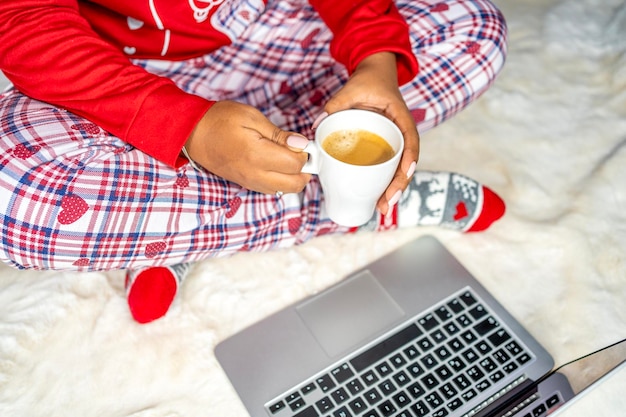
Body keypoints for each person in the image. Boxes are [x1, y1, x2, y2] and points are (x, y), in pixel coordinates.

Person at [0, 0, 508, 323]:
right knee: (10, 197)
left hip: (265, 30)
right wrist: (189, 127)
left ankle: (177, 215)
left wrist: (377, 58)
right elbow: (22, 20)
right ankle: (353, 201)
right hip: (117, 68)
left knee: (474, 29)